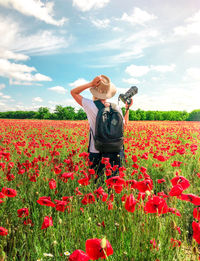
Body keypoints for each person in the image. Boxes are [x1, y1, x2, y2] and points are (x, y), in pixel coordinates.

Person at [70, 75, 133, 183]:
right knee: (113, 183)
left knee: (96, 182)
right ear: (108, 92)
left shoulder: (90, 105)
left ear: (95, 91)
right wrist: (127, 108)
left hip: (96, 150)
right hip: (115, 150)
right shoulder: (116, 107)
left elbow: (73, 92)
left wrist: (91, 84)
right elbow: (124, 125)